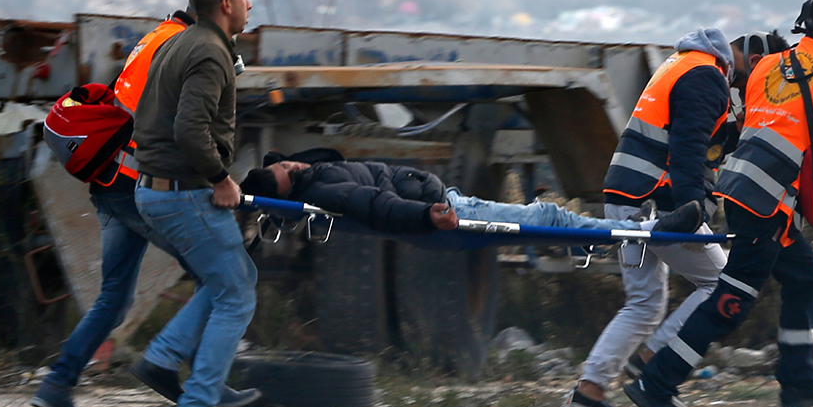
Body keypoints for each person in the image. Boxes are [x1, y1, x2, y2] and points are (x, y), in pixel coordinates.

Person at [626, 0, 813, 407]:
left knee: (805, 275)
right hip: (765, 202)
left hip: (744, 190)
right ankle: (656, 383)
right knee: (731, 300)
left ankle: (798, 378)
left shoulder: (770, 65)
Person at [30, 9, 261, 407]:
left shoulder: (158, 37)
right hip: (131, 182)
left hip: (111, 181)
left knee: (115, 298)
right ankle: (188, 376)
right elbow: (152, 118)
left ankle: (57, 385)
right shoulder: (178, 46)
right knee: (221, 275)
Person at [565, 27, 787, 407]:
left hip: (630, 195)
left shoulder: (685, 63)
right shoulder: (706, 77)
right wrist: (694, 204)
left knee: (646, 302)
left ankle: (593, 390)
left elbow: (692, 137)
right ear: (754, 64)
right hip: (654, 203)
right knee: (720, 283)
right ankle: (648, 367)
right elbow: (688, 147)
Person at [131, 0, 257, 407]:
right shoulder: (209, 52)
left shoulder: (179, 40)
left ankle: (163, 361)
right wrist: (221, 179)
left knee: (223, 280)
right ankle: (199, 406)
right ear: (226, 4)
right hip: (183, 193)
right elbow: (189, 129)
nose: (249, 4)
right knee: (238, 293)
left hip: (153, 191)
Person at [238, 147, 695, 236]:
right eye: (286, 169)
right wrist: (426, 216)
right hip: (449, 207)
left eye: (284, 160)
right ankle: (646, 228)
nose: (292, 164)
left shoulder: (314, 173)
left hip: (443, 200)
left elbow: (325, 153)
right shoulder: (325, 186)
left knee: (552, 219)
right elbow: (376, 205)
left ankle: (645, 226)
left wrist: (292, 167)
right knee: (551, 218)